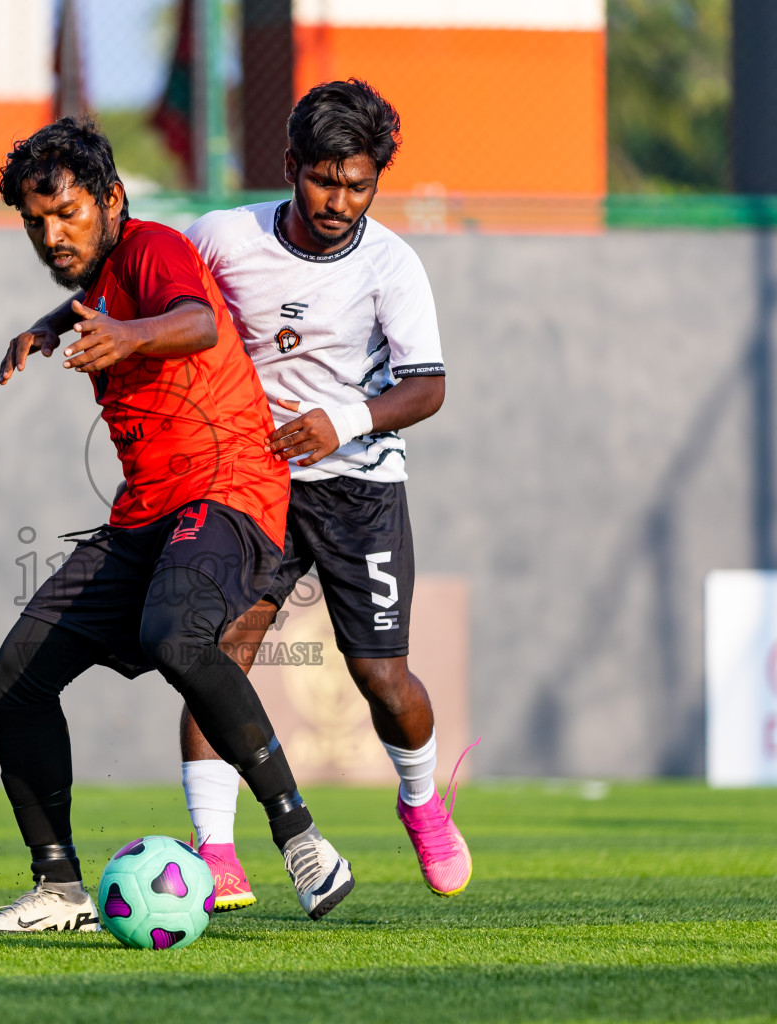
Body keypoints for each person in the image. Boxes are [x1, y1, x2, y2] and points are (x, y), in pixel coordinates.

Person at [0, 117, 355, 933]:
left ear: (111, 200)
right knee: (16, 679)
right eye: (36, 222)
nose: (52, 233)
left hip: (231, 491)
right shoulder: (99, 287)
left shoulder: (152, 246)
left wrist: (121, 334)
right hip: (144, 516)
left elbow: (196, 321)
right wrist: (53, 325)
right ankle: (60, 888)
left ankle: (300, 835)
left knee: (179, 637)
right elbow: (96, 303)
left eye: (67, 213)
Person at [178, 80, 471, 912]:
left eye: (358, 184)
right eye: (323, 180)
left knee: (383, 676)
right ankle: (214, 849)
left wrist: (341, 420)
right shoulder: (225, 237)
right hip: (252, 484)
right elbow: (160, 297)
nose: (340, 201)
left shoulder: (392, 264)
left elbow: (429, 386)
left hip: (358, 489)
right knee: (215, 654)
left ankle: (420, 802)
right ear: (289, 166)